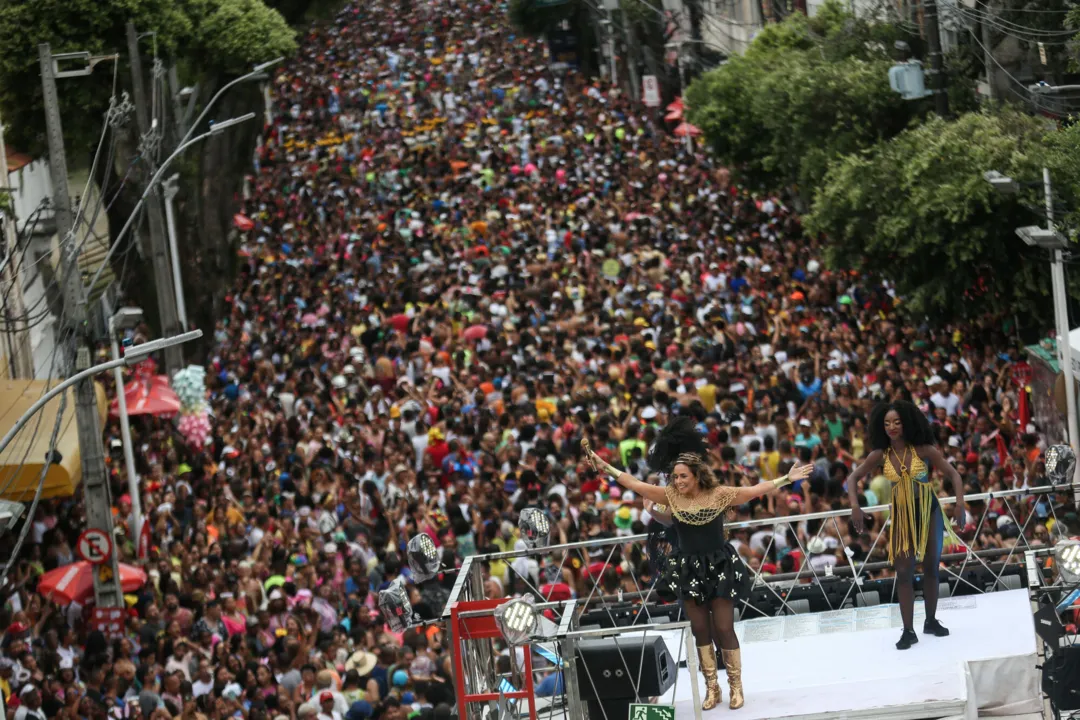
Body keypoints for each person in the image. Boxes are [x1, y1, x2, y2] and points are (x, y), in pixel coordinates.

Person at [582, 417, 810, 710]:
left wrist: (787, 479)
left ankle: (736, 686)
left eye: (683, 477)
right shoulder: (670, 497)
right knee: (700, 628)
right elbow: (633, 483)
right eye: (675, 477)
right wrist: (603, 464)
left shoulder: (719, 495)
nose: (677, 482)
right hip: (688, 568)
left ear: (697, 475)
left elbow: (754, 490)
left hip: (719, 565)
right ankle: (711, 687)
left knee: (724, 627)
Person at [847, 401, 966, 650]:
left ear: (907, 423)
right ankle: (908, 630)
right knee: (904, 572)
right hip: (902, 516)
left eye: (897, 422)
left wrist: (959, 505)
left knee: (932, 566)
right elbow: (853, 478)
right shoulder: (880, 456)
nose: (891, 427)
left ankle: (931, 620)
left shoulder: (924, 450)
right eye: (887, 423)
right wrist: (855, 507)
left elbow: (954, 475)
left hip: (929, 511)